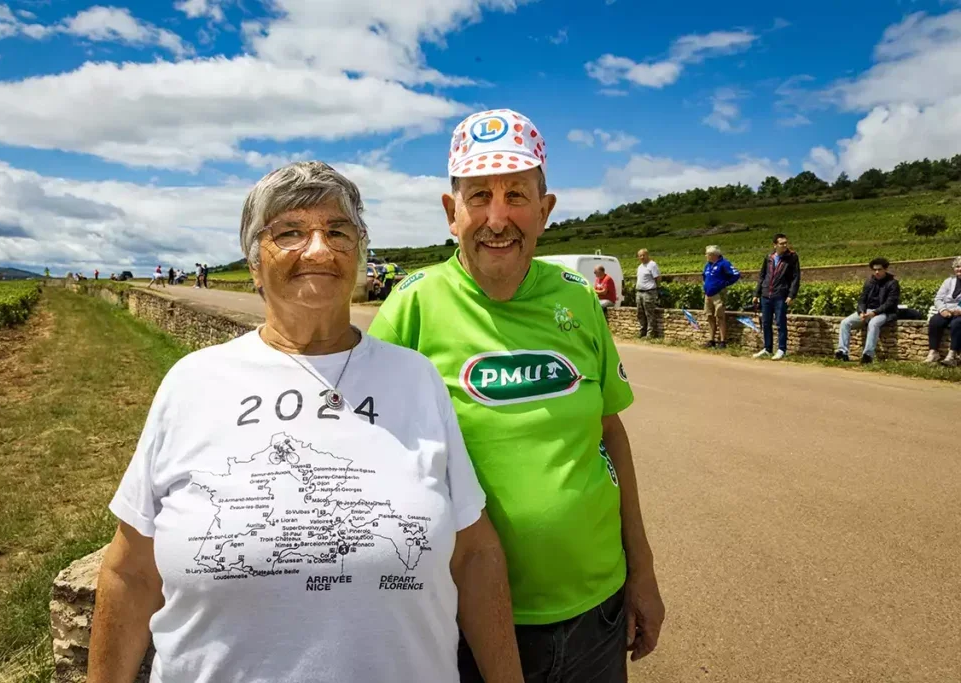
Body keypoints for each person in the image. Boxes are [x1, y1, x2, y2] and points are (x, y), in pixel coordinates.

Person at [88, 161, 523, 683]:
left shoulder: (416, 379)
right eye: (289, 232)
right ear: (253, 264)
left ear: (358, 254)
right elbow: (130, 572)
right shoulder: (192, 382)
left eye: (338, 231)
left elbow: (474, 554)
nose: (318, 249)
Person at [370, 109, 664, 683]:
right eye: (478, 196)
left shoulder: (578, 301)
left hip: (595, 614)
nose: (497, 217)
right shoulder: (409, 308)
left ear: (545, 211)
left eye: (516, 195)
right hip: (461, 624)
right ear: (450, 212)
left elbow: (610, 434)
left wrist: (643, 572)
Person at [834, 257, 900, 364]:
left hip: (884, 312)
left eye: (879, 269)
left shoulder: (892, 283)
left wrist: (874, 313)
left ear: (885, 269)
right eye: (874, 270)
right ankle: (842, 352)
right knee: (845, 323)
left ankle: (867, 355)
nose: (877, 272)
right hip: (867, 311)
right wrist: (861, 312)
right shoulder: (869, 282)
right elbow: (862, 300)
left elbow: (890, 303)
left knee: (873, 324)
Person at [752, 233, 800, 360]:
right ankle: (767, 348)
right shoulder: (769, 257)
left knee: (780, 322)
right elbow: (762, 276)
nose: (785, 245)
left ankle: (781, 349)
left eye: (786, 243)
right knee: (766, 322)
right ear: (775, 245)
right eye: (781, 243)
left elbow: (796, 277)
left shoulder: (792, 257)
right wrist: (757, 293)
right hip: (766, 294)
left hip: (781, 295)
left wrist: (791, 295)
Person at [702, 245, 741, 350]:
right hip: (708, 294)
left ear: (713, 255)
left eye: (707, 254)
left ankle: (723, 341)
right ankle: (711, 340)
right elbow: (704, 276)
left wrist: (725, 283)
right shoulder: (707, 265)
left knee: (720, 316)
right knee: (709, 316)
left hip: (719, 293)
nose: (706, 256)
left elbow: (736, 274)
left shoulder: (724, 264)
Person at [925, 256, 961, 367]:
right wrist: (943, 309)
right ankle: (933, 352)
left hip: (959, 313)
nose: (959, 269)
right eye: (957, 266)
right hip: (946, 310)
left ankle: (952, 355)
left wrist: (958, 311)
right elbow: (938, 298)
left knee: (957, 323)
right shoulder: (948, 281)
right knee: (935, 321)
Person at [635, 249, 661, 338]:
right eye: (640, 256)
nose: (642, 257)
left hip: (649, 292)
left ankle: (650, 333)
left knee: (649, 313)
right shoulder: (640, 267)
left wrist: (656, 289)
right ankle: (642, 331)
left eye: (643, 255)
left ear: (647, 255)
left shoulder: (652, 265)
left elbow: (657, 278)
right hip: (639, 293)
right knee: (640, 313)